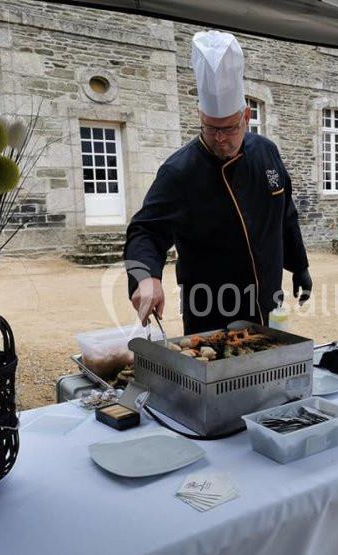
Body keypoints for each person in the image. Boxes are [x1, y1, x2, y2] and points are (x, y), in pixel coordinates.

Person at [124, 30, 311, 335]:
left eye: (229, 128)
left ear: (246, 116)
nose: (220, 138)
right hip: (210, 310)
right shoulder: (179, 171)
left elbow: (284, 213)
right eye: (211, 128)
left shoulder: (266, 152)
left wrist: (300, 265)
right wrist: (146, 277)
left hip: (266, 299)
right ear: (200, 116)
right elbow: (145, 230)